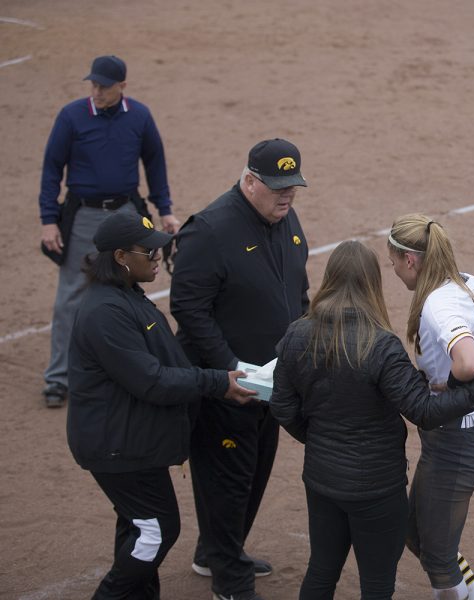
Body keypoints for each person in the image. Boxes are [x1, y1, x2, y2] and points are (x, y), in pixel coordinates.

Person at [269, 240, 474, 600]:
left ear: (329, 279)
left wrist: (319, 440)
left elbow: (282, 405)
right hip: (377, 488)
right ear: (371, 284)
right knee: (376, 585)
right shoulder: (381, 346)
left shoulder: (296, 335)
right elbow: (423, 411)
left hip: (321, 480)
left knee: (321, 571)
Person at [66, 210, 256, 599]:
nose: (157, 258)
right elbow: (151, 380)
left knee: (136, 525)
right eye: (148, 252)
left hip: (130, 441)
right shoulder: (106, 312)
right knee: (157, 529)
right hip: (118, 448)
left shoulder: (125, 296)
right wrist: (216, 382)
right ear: (120, 257)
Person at [169, 138, 310, 600]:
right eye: (277, 188)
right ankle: (230, 580)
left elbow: (298, 289)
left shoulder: (286, 220)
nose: (287, 196)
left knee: (254, 473)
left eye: (292, 187)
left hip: (272, 383)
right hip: (224, 387)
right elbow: (189, 309)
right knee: (227, 482)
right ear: (249, 181)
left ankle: (215, 553)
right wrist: (230, 369)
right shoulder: (209, 230)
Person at [387, 214, 474, 600]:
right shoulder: (462, 282)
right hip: (448, 441)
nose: (393, 270)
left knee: (439, 558)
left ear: (410, 260)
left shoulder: (437, 305)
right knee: (415, 532)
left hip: (456, 447)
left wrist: (456, 384)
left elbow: (468, 363)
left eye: (393, 261)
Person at [39, 54, 179, 408]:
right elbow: (52, 168)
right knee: (70, 294)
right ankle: (58, 378)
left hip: (127, 214)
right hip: (84, 214)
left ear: (122, 87)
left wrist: (165, 211)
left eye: (103, 85)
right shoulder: (71, 116)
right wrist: (48, 219)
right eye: (94, 84)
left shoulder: (141, 117)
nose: (96, 90)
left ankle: (128, 367)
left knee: (129, 287)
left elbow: (155, 164)